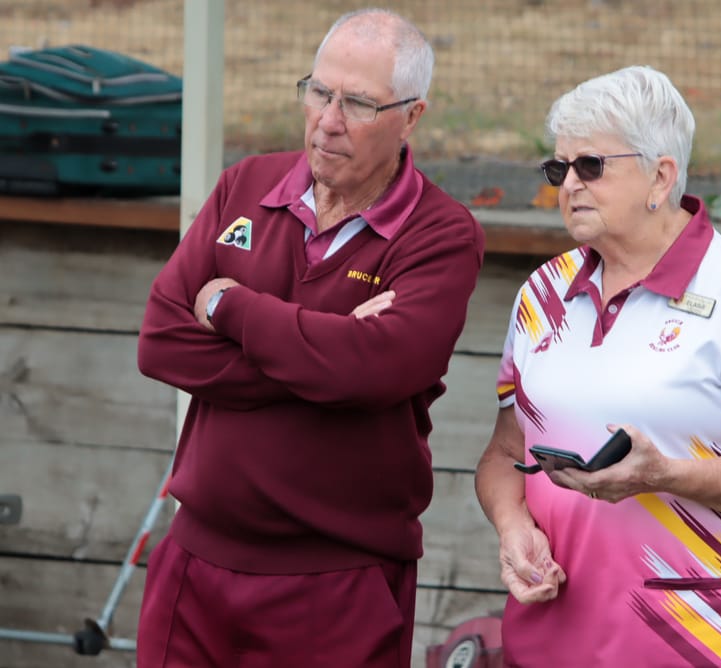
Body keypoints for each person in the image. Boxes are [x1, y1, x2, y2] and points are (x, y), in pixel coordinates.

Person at [135, 8, 484, 667]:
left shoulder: (442, 235)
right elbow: (158, 340)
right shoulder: (246, 184)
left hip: (338, 581)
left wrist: (230, 307)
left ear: (412, 116)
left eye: (357, 103)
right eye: (320, 92)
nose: (328, 120)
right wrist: (321, 359)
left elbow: (373, 371)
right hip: (195, 559)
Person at [474, 65, 721, 668]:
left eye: (592, 166)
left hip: (686, 642)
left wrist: (662, 474)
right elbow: (506, 453)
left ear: (661, 176)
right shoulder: (542, 292)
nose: (569, 185)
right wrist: (512, 529)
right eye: (559, 169)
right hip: (543, 639)